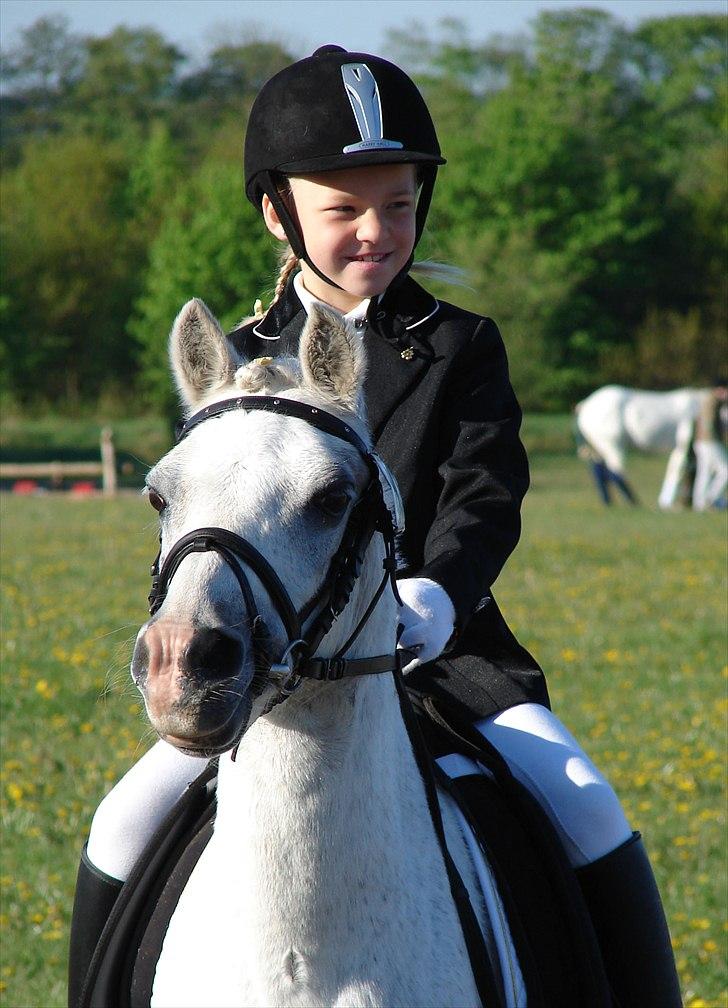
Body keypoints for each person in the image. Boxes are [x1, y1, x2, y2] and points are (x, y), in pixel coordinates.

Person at [70, 46, 681, 1007]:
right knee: (121, 823)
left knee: (586, 806)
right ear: (280, 213)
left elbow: (487, 492)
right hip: (266, 658)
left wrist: (435, 593)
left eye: (397, 206)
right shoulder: (238, 363)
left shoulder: (460, 345)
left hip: (447, 651)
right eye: (344, 209)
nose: (375, 232)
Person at [692, 379, 728, 511]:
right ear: (720, 389)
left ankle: (699, 504)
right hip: (710, 442)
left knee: (704, 472)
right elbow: (708, 423)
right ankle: (712, 497)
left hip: (702, 442)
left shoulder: (710, 400)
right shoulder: (712, 402)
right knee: (725, 470)